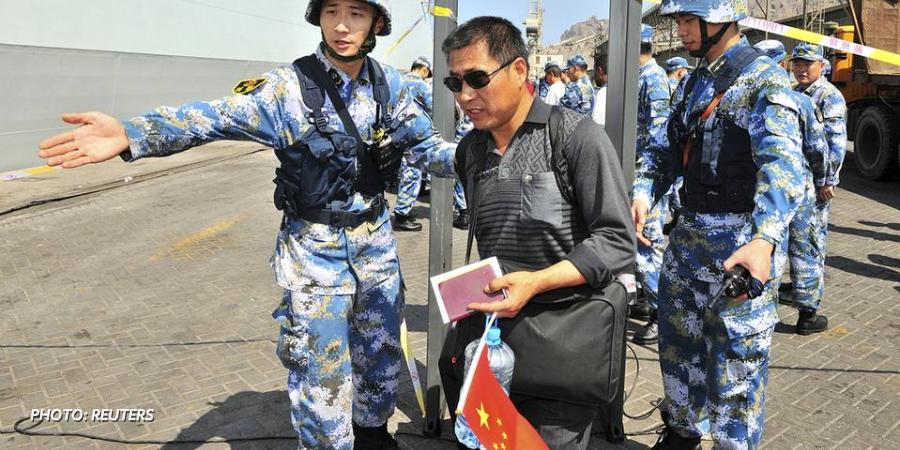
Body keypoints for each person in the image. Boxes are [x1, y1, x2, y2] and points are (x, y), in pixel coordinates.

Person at [36, 1, 458, 449]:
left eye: (355, 13)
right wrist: (132, 133)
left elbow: (427, 147)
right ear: (317, 17)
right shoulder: (287, 89)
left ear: (376, 22)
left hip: (376, 248)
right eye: (331, 10)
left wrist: (482, 156)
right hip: (316, 256)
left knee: (380, 355)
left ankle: (373, 437)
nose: (341, 25)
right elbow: (211, 118)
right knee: (322, 374)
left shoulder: (389, 85)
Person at [441, 16, 634, 450]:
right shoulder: (470, 150)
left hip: (562, 351)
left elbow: (617, 241)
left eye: (477, 79)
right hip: (492, 351)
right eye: (455, 83)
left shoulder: (576, 137)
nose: (465, 95)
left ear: (519, 69)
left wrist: (537, 281)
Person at [632, 0, 807, 448]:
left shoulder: (763, 81)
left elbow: (784, 168)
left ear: (722, 19)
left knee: (736, 372)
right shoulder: (696, 81)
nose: (681, 31)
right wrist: (643, 193)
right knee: (678, 350)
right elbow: (666, 147)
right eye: (679, 21)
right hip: (688, 243)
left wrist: (765, 239)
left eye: (689, 20)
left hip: (739, 251)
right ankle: (682, 433)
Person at [754, 41, 831, 334]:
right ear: (782, 65)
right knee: (804, 250)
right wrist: (821, 180)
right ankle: (807, 316)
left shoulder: (747, 99)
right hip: (799, 189)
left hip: (764, 190)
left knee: (769, 248)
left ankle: (763, 313)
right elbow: (818, 150)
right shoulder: (799, 101)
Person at [784, 43, 847, 334]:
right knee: (798, 244)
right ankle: (802, 295)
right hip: (791, 181)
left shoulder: (829, 96)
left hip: (812, 184)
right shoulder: (795, 92)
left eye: (807, 64)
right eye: (797, 63)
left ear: (822, 65)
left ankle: (807, 313)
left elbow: (835, 143)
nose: (801, 68)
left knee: (808, 245)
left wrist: (828, 180)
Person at [632, 23, 673, 346]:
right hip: (636, 173)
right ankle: (649, 300)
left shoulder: (654, 78)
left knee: (647, 245)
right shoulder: (641, 76)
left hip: (648, 177)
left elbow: (660, 136)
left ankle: (663, 315)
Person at [392, 55, 434, 232]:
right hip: (415, 136)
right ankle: (402, 216)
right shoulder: (422, 85)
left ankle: (404, 211)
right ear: (424, 69)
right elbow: (434, 108)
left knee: (405, 172)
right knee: (411, 174)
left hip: (397, 134)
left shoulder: (399, 81)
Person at [591, 53, 609, 126]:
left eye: (594, 72)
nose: (594, 76)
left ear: (599, 71)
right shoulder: (625, 89)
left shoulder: (604, 93)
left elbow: (597, 125)